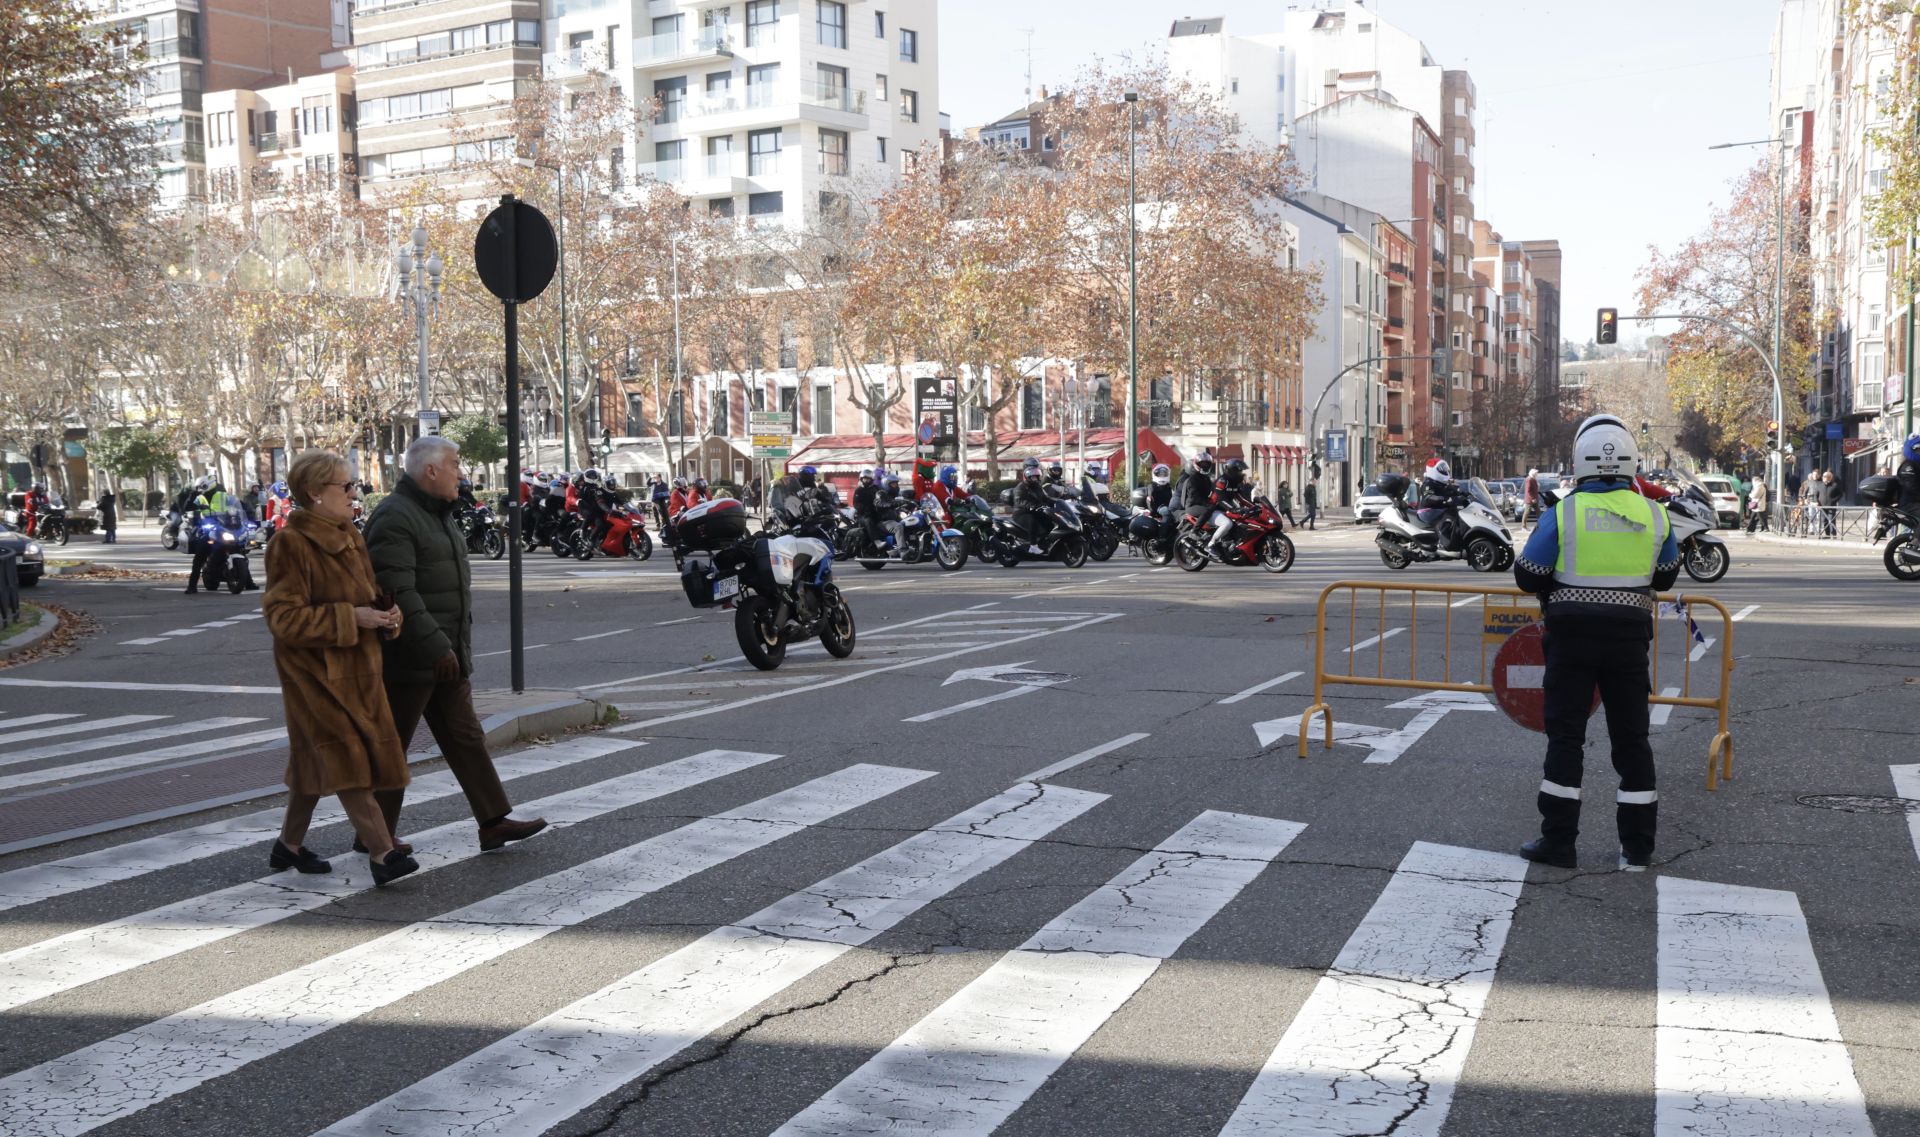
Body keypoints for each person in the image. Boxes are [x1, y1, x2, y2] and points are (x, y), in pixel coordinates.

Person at [363, 437, 547, 853]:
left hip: (444, 653)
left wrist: (450, 648)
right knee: (392, 746)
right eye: (455, 464)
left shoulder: (438, 514)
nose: (460, 473)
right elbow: (397, 590)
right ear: (430, 470)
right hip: (411, 656)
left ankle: (493, 821)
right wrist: (435, 646)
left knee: (466, 737)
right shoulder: (396, 516)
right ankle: (373, 833)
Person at [1514, 413, 1679, 872]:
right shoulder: (1654, 514)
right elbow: (1666, 577)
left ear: (1580, 461)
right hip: (1628, 643)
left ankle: (1559, 841)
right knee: (1632, 741)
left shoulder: (1564, 513)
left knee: (1566, 739)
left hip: (1570, 641)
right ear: (1631, 461)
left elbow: (1527, 575)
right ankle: (1638, 845)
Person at [262, 449, 418, 885]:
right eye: (346, 486)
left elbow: (367, 598)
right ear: (315, 492)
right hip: (315, 675)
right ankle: (382, 852)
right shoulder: (290, 544)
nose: (354, 493)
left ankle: (288, 845)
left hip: (359, 671)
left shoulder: (349, 535)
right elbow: (283, 618)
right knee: (347, 758)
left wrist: (388, 616)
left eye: (354, 485)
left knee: (316, 762)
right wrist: (352, 618)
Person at [1416, 460, 1468, 551]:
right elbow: (1429, 497)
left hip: (1439, 510)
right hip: (1428, 511)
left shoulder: (1443, 484)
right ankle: (1444, 544)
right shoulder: (1428, 483)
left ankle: (1458, 540)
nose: (1445, 471)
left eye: (1445, 469)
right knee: (1449, 516)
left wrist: (1466, 495)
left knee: (1457, 514)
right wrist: (1445, 499)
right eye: (1442, 469)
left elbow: (1455, 492)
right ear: (1433, 470)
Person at [1207, 459, 1253, 552]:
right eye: (1239, 471)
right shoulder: (1222, 481)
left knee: (1242, 522)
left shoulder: (1234, 482)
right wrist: (1233, 509)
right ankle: (1211, 545)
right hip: (1213, 509)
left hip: (1224, 510)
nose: (1241, 474)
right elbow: (1220, 499)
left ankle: (1230, 544)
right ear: (1232, 470)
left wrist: (1253, 506)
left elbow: (1241, 498)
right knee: (1227, 523)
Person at [1012, 459, 1054, 550]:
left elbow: (1045, 498)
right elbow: (1019, 501)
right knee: (1032, 521)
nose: (1035, 478)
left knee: (1049, 521)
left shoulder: (1038, 487)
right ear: (1028, 477)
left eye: (1036, 476)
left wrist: (1055, 502)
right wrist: (1030, 505)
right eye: (1033, 477)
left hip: (1034, 511)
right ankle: (1033, 546)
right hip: (1021, 513)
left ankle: (1044, 543)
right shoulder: (1021, 487)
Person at [1176, 450, 1217, 542]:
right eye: (1202, 464)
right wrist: (1208, 503)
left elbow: (1213, 491)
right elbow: (1195, 497)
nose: (1205, 466)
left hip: (1203, 503)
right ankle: (1194, 531)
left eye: (1207, 464)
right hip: (1192, 505)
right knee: (1207, 510)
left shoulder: (1206, 478)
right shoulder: (1193, 479)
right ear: (1196, 464)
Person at [1816, 469, 1841, 536]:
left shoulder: (1834, 485)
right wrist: (1818, 502)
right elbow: (1816, 495)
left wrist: (1834, 500)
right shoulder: (1820, 485)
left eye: (1826, 477)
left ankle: (1833, 535)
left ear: (1830, 478)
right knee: (1825, 521)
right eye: (1823, 477)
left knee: (1831, 521)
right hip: (1823, 507)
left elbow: (1840, 494)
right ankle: (1827, 535)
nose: (1824, 478)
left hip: (1831, 506)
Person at [1898, 433, 1920, 507]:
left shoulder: (1917, 464)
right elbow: (1912, 487)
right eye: (1918, 449)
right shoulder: (1908, 466)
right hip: (1909, 504)